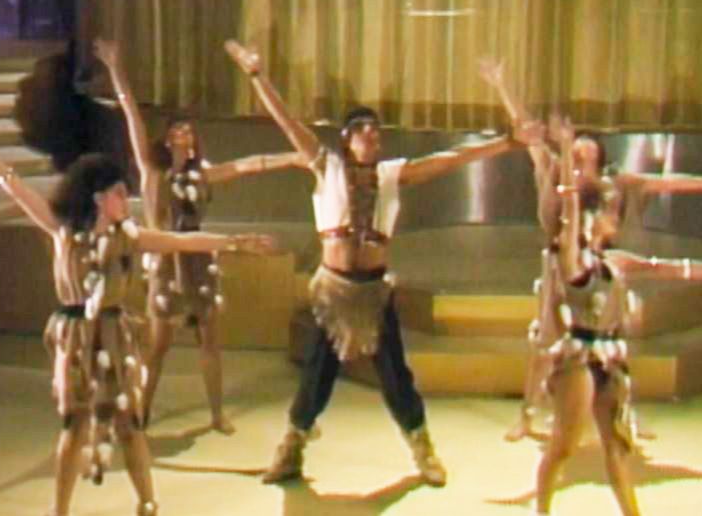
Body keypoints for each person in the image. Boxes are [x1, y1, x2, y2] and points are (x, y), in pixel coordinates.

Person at [226, 40, 544, 486]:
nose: (372, 137)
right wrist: (257, 76)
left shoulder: (391, 174)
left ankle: (422, 449)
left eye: (376, 132)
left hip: (374, 292)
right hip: (332, 290)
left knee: (395, 376)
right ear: (347, 138)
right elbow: (288, 123)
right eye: (363, 131)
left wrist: (504, 144)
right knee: (317, 374)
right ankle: (291, 448)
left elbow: (446, 162)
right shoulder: (327, 166)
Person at [0, 124, 276, 516]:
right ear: (99, 199)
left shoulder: (128, 237)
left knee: (129, 425)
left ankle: (148, 502)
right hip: (75, 335)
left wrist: (235, 242)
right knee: (74, 426)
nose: (126, 198)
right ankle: (60, 510)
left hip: (114, 333)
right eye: (120, 192)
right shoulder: (64, 232)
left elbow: (181, 241)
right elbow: (15, 188)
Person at [477, 58, 702, 442]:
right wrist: (502, 86)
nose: (579, 160)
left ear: (598, 160)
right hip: (559, 264)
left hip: (602, 267)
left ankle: (625, 412)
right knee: (545, 344)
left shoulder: (615, 184)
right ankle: (528, 414)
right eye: (575, 154)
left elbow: (663, 183)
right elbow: (530, 135)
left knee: (612, 343)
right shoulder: (553, 171)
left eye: (586, 155)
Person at [531, 117, 702, 516]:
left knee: (617, 446)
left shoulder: (619, 259)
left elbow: (675, 269)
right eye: (607, 214)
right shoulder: (571, 259)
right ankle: (542, 510)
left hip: (611, 356)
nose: (614, 217)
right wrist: (567, 153)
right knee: (565, 445)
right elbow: (569, 207)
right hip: (579, 356)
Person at [93, 39, 304, 434]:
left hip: (199, 259)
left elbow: (247, 166)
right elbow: (132, 116)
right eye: (178, 130)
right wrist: (116, 71)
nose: (185, 135)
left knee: (209, 340)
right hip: (165, 259)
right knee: (158, 344)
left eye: (189, 131)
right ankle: (142, 409)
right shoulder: (153, 171)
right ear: (167, 137)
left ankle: (217, 414)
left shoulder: (202, 173)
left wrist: (292, 158)